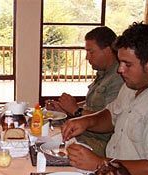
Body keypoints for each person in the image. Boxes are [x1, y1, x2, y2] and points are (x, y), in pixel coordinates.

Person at [62, 22, 148, 175]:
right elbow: (112, 115)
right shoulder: (133, 84)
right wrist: (86, 121)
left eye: (127, 64)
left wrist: (100, 163)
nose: (120, 69)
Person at [47, 26, 124, 156]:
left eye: (91, 52)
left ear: (108, 50)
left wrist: (75, 110)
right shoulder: (103, 73)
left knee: (47, 142)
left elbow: (111, 120)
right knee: (44, 133)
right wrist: (65, 108)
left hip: (100, 142)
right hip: (85, 133)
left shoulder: (119, 77)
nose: (87, 57)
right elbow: (92, 104)